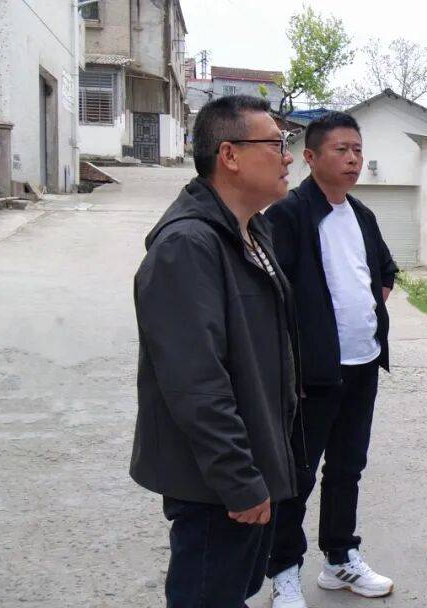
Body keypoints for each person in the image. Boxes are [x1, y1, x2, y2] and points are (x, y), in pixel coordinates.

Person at [130, 95, 299, 607]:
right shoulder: (187, 245)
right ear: (229, 155)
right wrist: (239, 480)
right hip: (216, 485)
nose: (288, 156)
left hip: (253, 461)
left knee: (235, 591)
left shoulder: (252, 231)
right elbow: (195, 384)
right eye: (276, 144)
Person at [264, 111, 398, 607]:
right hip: (312, 375)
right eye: (341, 150)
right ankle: (284, 572)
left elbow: (385, 271)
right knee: (296, 477)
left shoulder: (362, 215)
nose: (353, 159)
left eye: (358, 150)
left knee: (347, 468)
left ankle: (339, 559)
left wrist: (364, 314)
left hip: (363, 365)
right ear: (311, 156)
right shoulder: (287, 215)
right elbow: (271, 296)